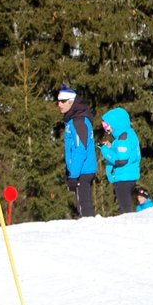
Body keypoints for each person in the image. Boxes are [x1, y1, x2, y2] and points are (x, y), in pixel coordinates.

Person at [57, 85, 97, 217]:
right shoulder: (73, 120)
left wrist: (73, 175)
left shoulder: (78, 121)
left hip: (82, 171)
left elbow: (81, 150)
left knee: (84, 206)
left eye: (63, 101)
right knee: (84, 204)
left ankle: (89, 232)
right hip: (81, 170)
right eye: (58, 101)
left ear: (71, 102)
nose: (59, 105)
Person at [99, 107, 142, 214]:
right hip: (129, 175)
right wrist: (111, 147)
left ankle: (129, 227)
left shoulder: (124, 138)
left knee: (126, 209)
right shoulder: (127, 134)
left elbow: (121, 160)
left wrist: (105, 151)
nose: (107, 130)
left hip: (124, 177)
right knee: (127, 206)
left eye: (107, 126)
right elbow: (122, 152)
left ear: (116, 123)